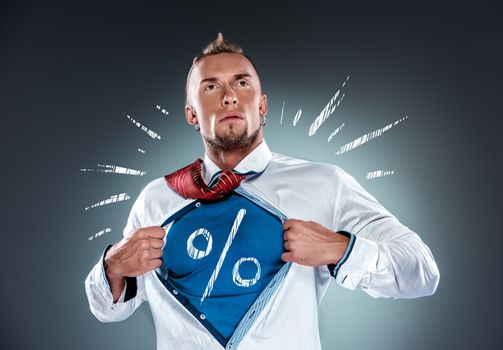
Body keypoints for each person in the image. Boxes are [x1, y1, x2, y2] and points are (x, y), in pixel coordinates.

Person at [85, 33, 439, 350]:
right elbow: (107, 309)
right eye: (211, 87)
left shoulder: (325, 183)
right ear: (192, 114)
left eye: (242, 83)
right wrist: (112, 265)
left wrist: (340, 249)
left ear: (262, 105)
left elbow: (421, 272)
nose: (228, 97)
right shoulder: (157, 198)